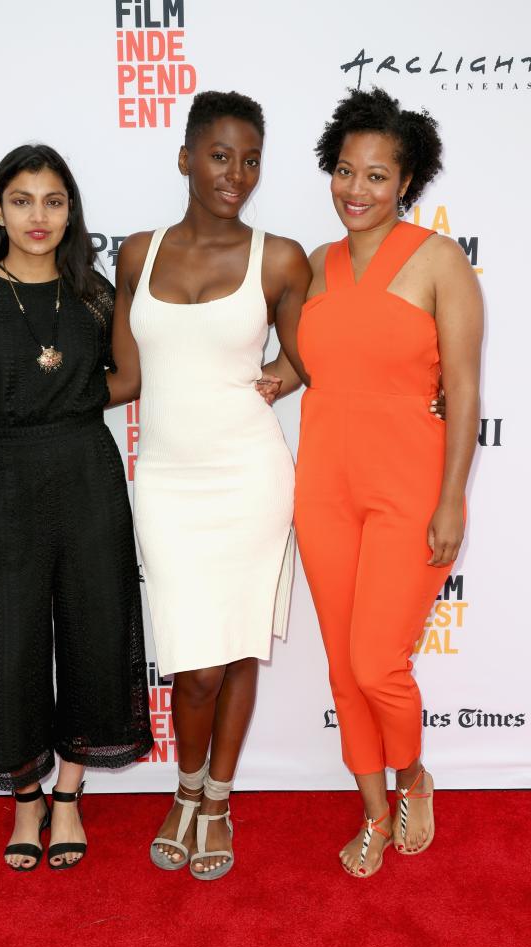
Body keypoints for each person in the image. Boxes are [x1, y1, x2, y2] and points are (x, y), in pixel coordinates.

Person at [0, 144, 153, 872]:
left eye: (53, 200)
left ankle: (72, 797)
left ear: (70, 210)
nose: (38, 215)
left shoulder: (93, 296)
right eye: (21, 200)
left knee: (95, 629)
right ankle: (26, 798)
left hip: (88, 475)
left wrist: (74, 406)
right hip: (6, 484)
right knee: (11, 642)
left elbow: (127, 380)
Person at [269, 87, 482, 878]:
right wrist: (268, 378)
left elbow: (463, 386)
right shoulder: (316, 266)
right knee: (339, 664)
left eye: (378, 177)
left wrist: (451, 496)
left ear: (407, 183)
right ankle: (373, 813)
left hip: (409, 490)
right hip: (323, 487)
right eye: (346, 172)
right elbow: (314, 360)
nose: (356, 190)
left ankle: (413, 776)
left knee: (375, 664)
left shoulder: (439, 261)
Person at [106, 90, 311, 879]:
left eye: (251, 158)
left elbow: (314, 354)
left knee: (233, 654)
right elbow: (125, 377)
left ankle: (212, 800)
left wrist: (279, 377)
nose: (237, 173)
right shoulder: (137, 253)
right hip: (166, 483)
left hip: (250, 478)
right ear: (186, 157)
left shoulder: (281, 257)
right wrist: (31, 398)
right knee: (193, 661)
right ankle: (187, 790)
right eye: (221, 155)